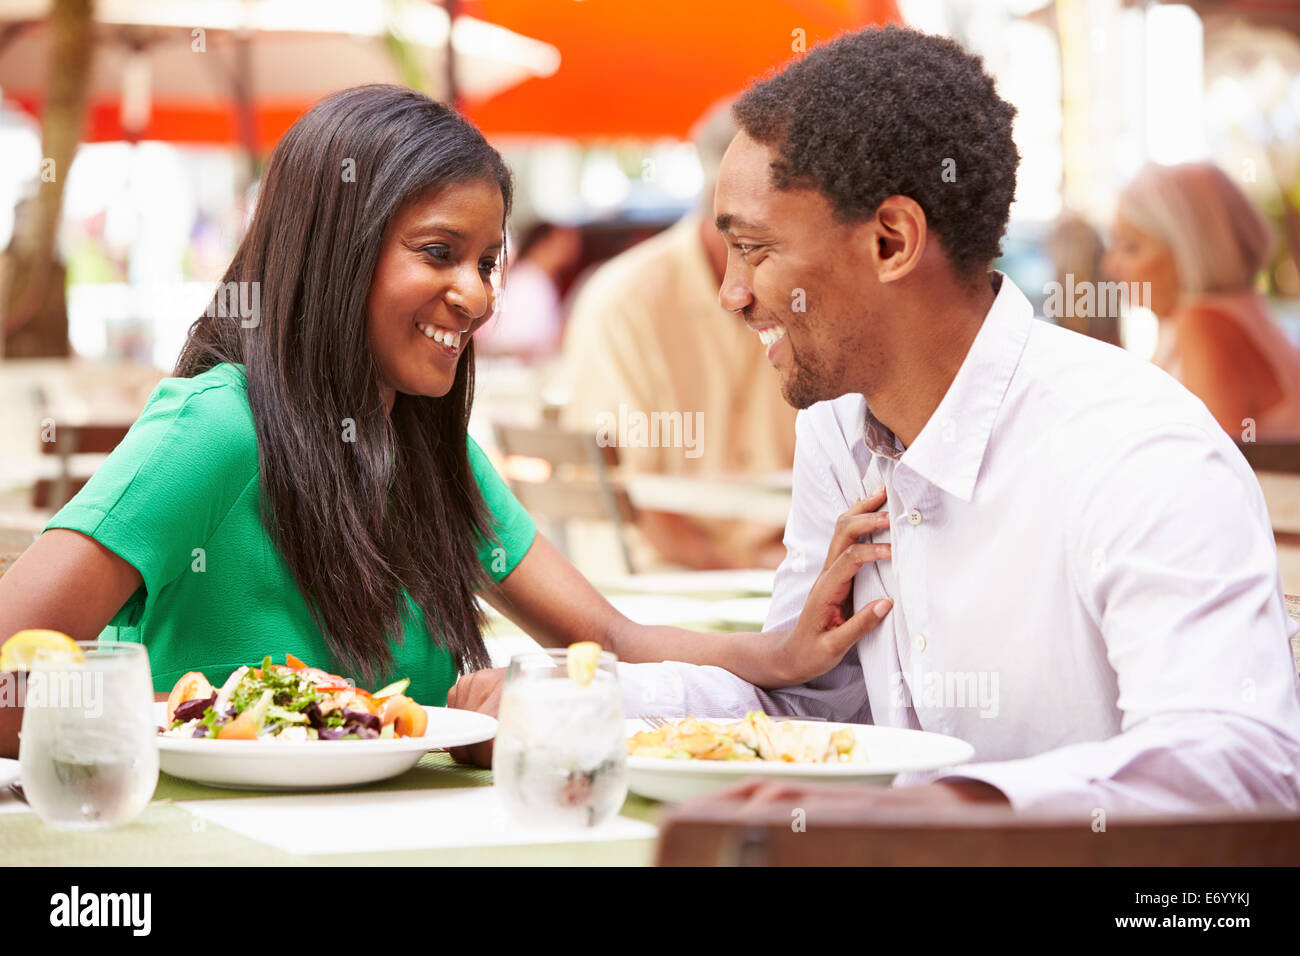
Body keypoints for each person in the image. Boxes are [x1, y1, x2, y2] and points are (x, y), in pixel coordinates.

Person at [452, 26, 1300, 816]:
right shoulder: (841, 430)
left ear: (892, 241)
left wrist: (941, 810)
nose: (731, 293)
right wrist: (576, 700)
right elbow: (809, 697)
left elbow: (1238, 759)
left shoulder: (1136, 450)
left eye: (754, 249)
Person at [0, 85, 879, 707]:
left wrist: (782, 652)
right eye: (437, 252)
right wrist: (194, 719)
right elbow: (7, 666)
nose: (481, 294)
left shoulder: (429, 447)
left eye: (489, 260)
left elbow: (607, 642)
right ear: (336, 249)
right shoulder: (219, 427)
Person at [557, 99, 797, 571]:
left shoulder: (807, 291)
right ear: (718, 198)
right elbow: (640, 502)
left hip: (775, 575)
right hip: (659, 586)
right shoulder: (625, 303)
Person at [1104, 161, 1300, 440]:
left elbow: (1213, 472)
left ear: (1187, 251)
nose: (1110, 265)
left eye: (1131, 247)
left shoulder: (1204, 323)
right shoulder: (1235, 309)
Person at [474, 220, 582, 362]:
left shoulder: (539, 279)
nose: (575, 246)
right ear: (548, 241)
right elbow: (519, 340)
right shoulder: (527, 280)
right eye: (567, 239)